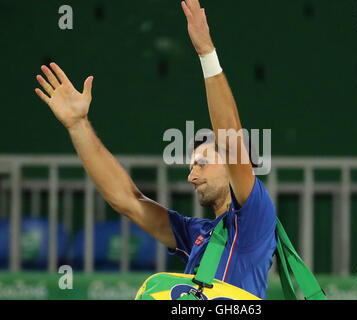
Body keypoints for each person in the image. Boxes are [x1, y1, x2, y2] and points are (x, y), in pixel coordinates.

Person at [34, 0, 277, 299]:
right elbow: (129, 201)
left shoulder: (256, 216)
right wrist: (78, 126)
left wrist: (206, 53)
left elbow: (229, 139)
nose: (191, 176)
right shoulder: (196, 234)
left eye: (201, 163)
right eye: (191, 166)